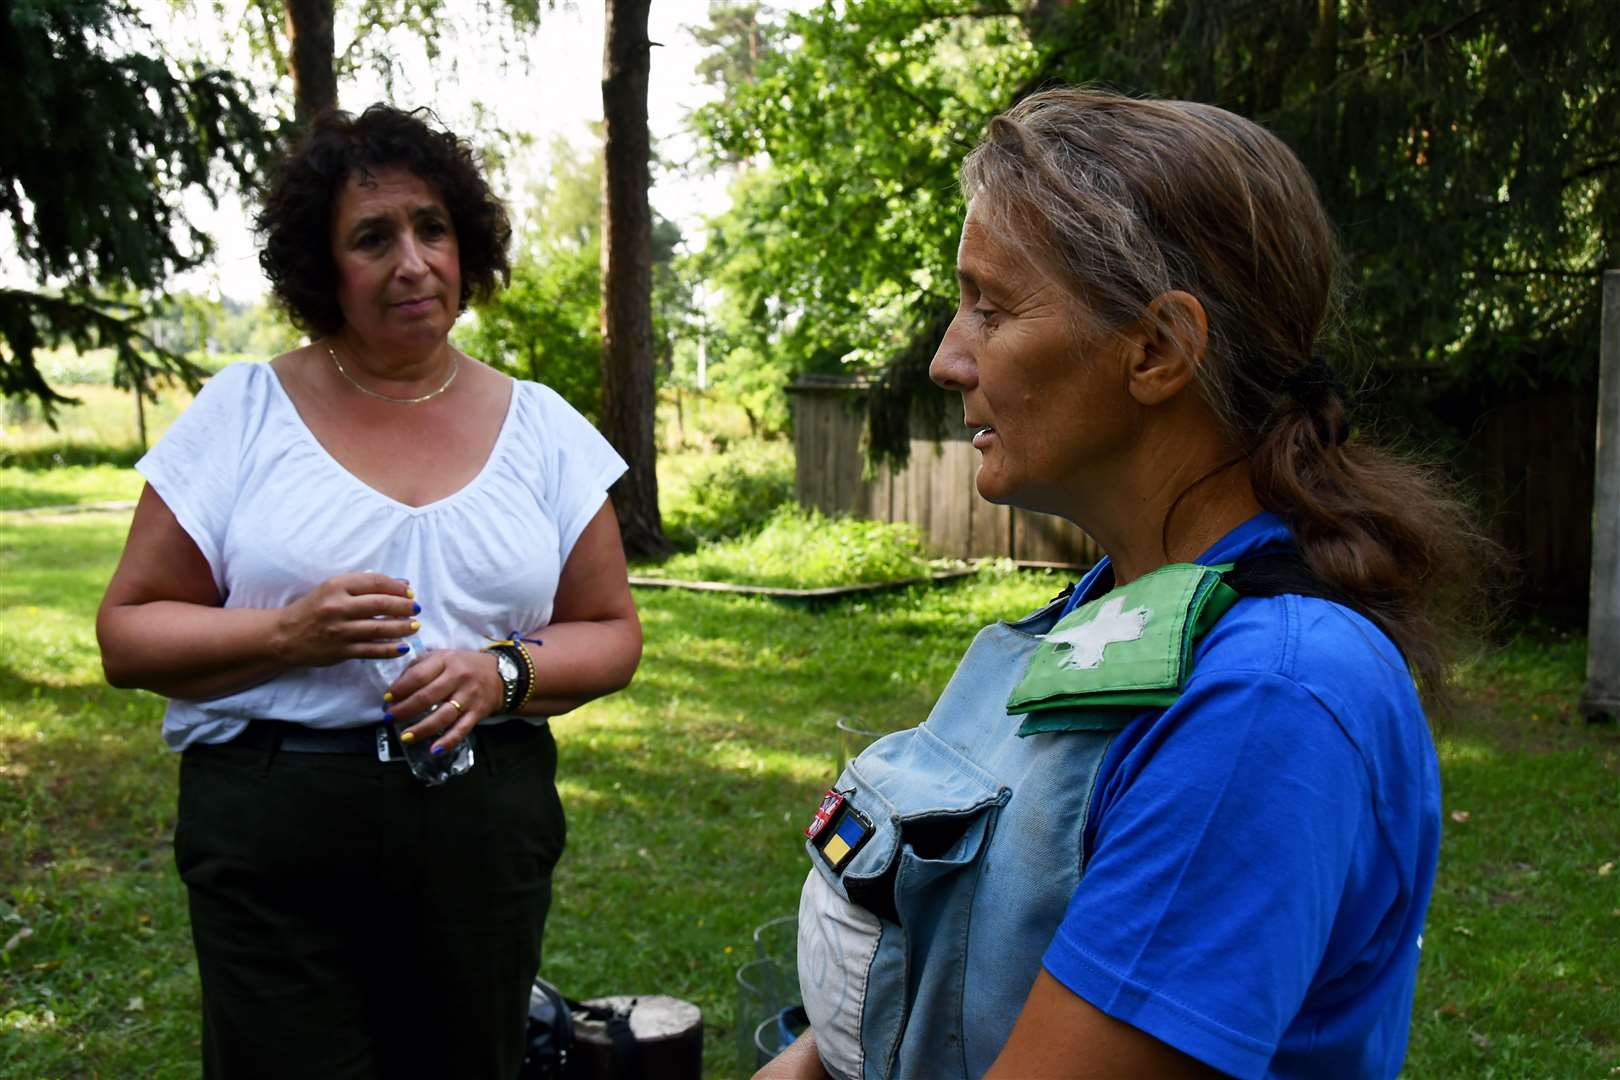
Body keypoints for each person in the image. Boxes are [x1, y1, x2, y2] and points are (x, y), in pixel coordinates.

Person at [763, 89, 1494, 1080]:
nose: (948, 357)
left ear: (1157, 349)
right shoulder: (1120, 613)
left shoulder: (1267, 699)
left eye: (992, 305)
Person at [96, 104, 642, 1079]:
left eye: (432, 228)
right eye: (372, 237)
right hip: (273, 832)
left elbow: (610, 632)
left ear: (465, 243)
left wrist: (502, 674)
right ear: (322, 265)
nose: (413, 262)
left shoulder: (544, 429)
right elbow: (127, 634)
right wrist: (286, 634)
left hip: (484, 831)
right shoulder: (243, 413)